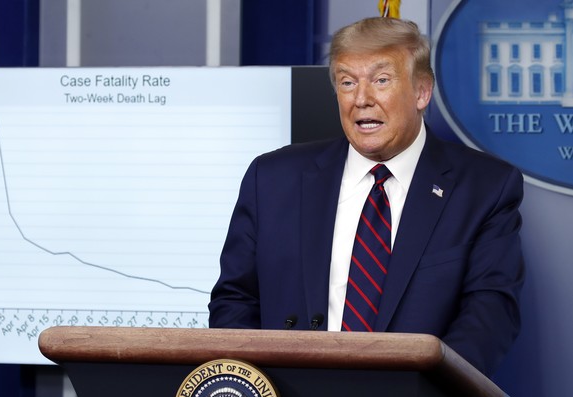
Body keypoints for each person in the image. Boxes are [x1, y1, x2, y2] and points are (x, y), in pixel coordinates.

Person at [208, 17, 524, 378]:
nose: (361, 99)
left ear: (422, 92)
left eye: (381, 80)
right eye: (347, 82)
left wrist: (425, 394)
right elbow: (235, 301)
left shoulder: (484, 188)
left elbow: (489, 314)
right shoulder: (272, 179)